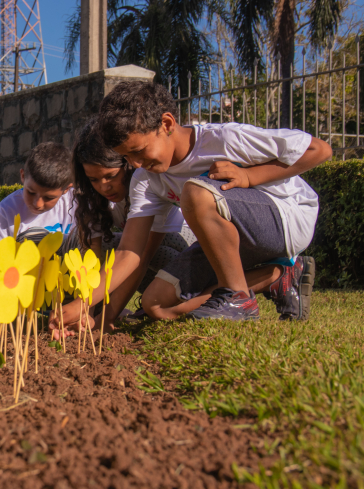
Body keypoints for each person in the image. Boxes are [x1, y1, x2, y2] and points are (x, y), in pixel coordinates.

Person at [71, 81, 331, 322]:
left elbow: (319, 150)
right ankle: (276, 277)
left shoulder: (225, 139)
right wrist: (90, 311)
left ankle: (238, 298)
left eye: (138, 151)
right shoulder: (145, 180)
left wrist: (249, 175)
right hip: (233, 242)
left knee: (195, 192)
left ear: (167, 124)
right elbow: (131, 253)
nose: (136, 164)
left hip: (285, 219)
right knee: (156, 304)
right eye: (127, 157)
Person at [60, 118, 196, 332]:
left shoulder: (148, 187)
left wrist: (106, 319)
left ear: (129, 163)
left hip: (183, 247)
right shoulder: (92, 198)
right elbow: (91, 260)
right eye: (94, 180)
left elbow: (140, 257)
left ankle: (190, 294)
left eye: (111, 176)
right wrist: (87, 311)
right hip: (138, 256)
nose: (104, 187)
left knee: (157, 250)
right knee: (98, 247)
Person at [0, 142, 78, 252]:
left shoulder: (77, 204)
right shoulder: (5, 211)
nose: (38, 204)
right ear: (22, 176)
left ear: (66, 189)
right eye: (31, 192)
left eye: (49, 198)